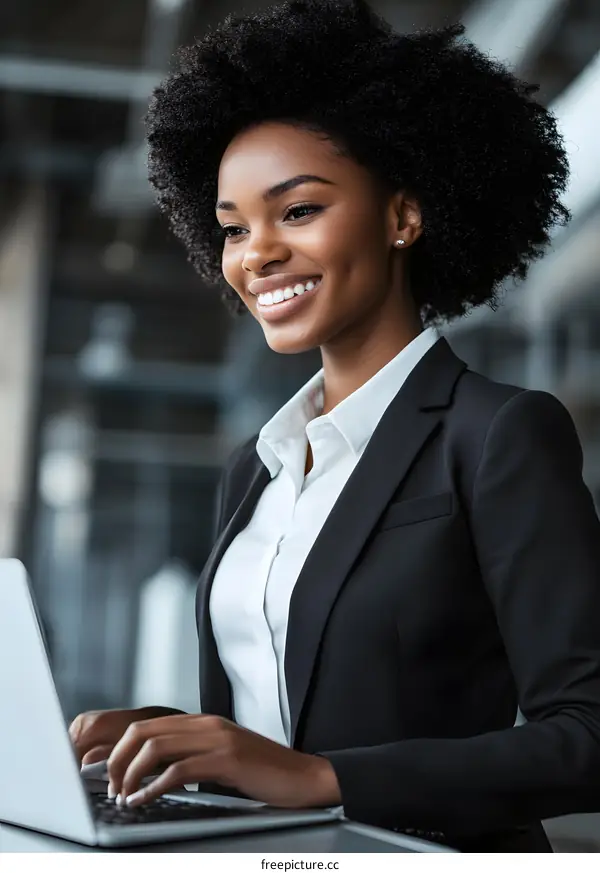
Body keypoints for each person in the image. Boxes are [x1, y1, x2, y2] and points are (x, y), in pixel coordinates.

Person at [69, 0, 600, 852]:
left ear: (403, 216)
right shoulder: (258, 465)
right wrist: (185, 738)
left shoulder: (498, 433)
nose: (256, 253)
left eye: (299, 210)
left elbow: (586, 736)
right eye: (234, 227)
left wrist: (327, 777)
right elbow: (293, 707)